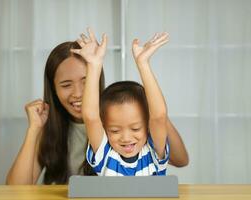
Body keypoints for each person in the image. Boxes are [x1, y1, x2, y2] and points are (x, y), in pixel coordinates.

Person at [71, 29, 187, 176]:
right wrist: (94, 65)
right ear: (105, 129)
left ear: (148, 126)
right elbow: (90, 117)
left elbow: (159, 116)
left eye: (136, 128)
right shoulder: (105, 157)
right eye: (114, 131)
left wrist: (143, 63)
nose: (126, 138)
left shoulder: (154, 154)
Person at [6, 40, 105, 184]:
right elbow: (15, 191)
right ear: (53, 90)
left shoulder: (117, 124)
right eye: (66, 85)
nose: (77, 93)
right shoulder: (51, 128)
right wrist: (34, 129)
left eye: (86, 81)